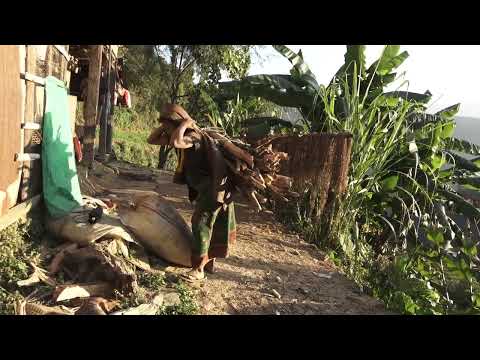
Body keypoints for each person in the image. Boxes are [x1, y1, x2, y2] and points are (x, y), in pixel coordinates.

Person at [147, 104, 237, 281]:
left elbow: (176, 142)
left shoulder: (193, 136)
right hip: (205, 189)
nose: (164, 129)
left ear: (176, 123)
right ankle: (207, 264)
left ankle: (198, 269)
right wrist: (166, 124)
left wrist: (185, 123)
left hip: (213, 190)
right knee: (209, 223)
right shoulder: (176, 133)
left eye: (167, 124)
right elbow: (151, 140)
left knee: (201, 223)